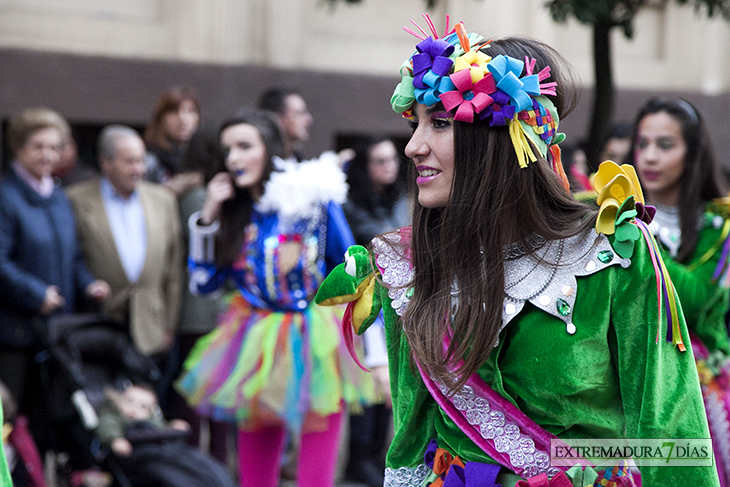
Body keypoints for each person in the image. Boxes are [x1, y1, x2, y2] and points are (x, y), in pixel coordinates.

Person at [316, 17, 719, 486]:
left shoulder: (612, 252)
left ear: (507, 141)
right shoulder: (404, 264)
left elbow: (669, 434)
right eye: (416, 124)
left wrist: (574, 466)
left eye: (440, 123)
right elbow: (409, 441)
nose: (412, 147)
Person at [174, 109, 373, 487]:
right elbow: (203, 285)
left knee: (315, 473)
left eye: (244, 146)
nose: (233, 158)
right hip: (253, 343)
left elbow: (355, 272)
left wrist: (375, 350)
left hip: (317, 340)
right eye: (227, 149)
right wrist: (207, 218)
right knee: (254, 474)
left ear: (270, 149)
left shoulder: (314, 202)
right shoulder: (233, 213)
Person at [629, 97, 730, 485]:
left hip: (698, 396)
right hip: (631, 389)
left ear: (693, 153)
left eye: (665, 145)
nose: (649, 157)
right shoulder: (611, 220)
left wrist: (641, 236)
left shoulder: (719, 228)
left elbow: (694, 299)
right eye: (643, 144)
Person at [0, 108, 109, 451]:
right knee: (9, 417)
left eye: (54, 147)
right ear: (18, 147)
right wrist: (35, 294)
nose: (47, 155)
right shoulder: (6, 197)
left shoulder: (59, 197)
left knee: (48, 418)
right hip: (15, 332)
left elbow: (73, 256)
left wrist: (88, 283)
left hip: (56, 329)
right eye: (38, 146)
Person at [67, 125, 184, 363]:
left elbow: (174, 270)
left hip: (151, 326)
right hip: (100, 322)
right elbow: (71, 258)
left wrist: (169, 326)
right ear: (105, 162)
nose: (138, 169)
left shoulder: (163, 200)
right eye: (130, 162)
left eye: (142, 161)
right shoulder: (75, 200)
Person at [342, 136, 407, 486]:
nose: (389, 167)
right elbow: (378, 239)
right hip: (362, 300)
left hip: (393, 297)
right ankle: (359, 455)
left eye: (392, 160)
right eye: (380, 161)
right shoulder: (351, 205)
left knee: (389, 379)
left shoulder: (400, 200)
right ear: (366, 168)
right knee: (366, 378)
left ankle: (379, 454)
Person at [167, 127, 230, 464]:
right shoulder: (199, 196)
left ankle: (215, 462)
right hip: (201, 312)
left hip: (206, 310)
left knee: (211, 393)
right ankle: (204, 464)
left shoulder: (195, 191)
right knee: (201, 393)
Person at [95, 384, 236, 487]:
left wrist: (172, 427)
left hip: (173, 451)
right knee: (180, 476)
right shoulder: (114, 417)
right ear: (120, 401)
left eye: (142, 407)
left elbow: (160, 430)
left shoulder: (151, 422)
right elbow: (108, 426)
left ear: (150, 413)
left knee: (204, 466)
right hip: (147, 457)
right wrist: (115, 439)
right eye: (130, 401)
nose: (134, 409)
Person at [144, 86, 202, 194]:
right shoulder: (150, 160)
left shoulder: (202, 158)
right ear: (161, 118)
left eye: (190, 111)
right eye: (174, 112)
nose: (182, 118)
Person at [258, 87, 313, 161]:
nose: (308, 120)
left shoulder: (299, 160)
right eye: (299, 113)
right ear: (278, 118)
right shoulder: (263, 163)